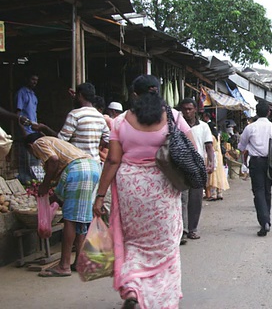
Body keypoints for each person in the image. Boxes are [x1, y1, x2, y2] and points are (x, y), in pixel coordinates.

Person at [93, 75, 194, 308]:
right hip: (163, 189)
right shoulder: (174, 118)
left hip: (131, 191)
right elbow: (192, 150)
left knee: (134, 244)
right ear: (158, 93)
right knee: (165, 246)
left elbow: (112, 160)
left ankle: (132, 289)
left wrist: (100, 195)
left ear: (134, 95)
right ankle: (160, 299)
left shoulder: (120, 122)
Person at [24, 132, 100, 278]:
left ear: (29, 146)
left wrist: (44, 185)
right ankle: (79, 262)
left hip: (78, 170)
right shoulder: (55, 141)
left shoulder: (38, 143)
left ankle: (64, 265)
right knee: (81, 218)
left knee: (70, 219)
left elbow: (53, 160)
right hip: (92, 168)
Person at [238, 101, 272, 237]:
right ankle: (267, 219)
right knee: (267, 190)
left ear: (256, 113)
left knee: (258, 191)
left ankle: (264, 220)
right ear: (269, 112)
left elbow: (241, 146)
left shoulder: (250, 128)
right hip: (270, 163)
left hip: (256, 162)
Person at [179, 98, 215, 241]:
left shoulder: (204, 126)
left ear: (195, 110)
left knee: (195, 199)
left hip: (197, 166)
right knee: (181, 199)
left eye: (190, 109)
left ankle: (192, 229)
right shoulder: (177, 125)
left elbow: (209, 147)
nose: (187, 112)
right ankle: (181, 230)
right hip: (180, 166)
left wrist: (212, 162)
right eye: (185, 109)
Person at [57, 82, 110, 162]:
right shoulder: (100, 117)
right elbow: (108, 138)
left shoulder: (74, 114)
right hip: (95, 164)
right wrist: (94, 146)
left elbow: (61, 140)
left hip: (78, 163)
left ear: (80, 95)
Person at [15, 72, 40, 183]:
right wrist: (23, 131)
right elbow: (18, 114)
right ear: (27, 79)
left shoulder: (33, 95)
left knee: (33, 157)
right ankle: (25, 181)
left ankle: (33, 182)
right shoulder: (22, 93)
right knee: (24, 158)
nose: (34, 82)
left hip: (33, 131)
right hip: (25, 131)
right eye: (32, 79)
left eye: (36, 80)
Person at [205, 122, 229, 201]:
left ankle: (213, 194)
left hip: (213, 155)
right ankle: (220, 193)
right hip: (219, 156)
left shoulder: (210, 136)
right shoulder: (217, 135)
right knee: (219, 173)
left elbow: (209, 147)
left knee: (213, 174)